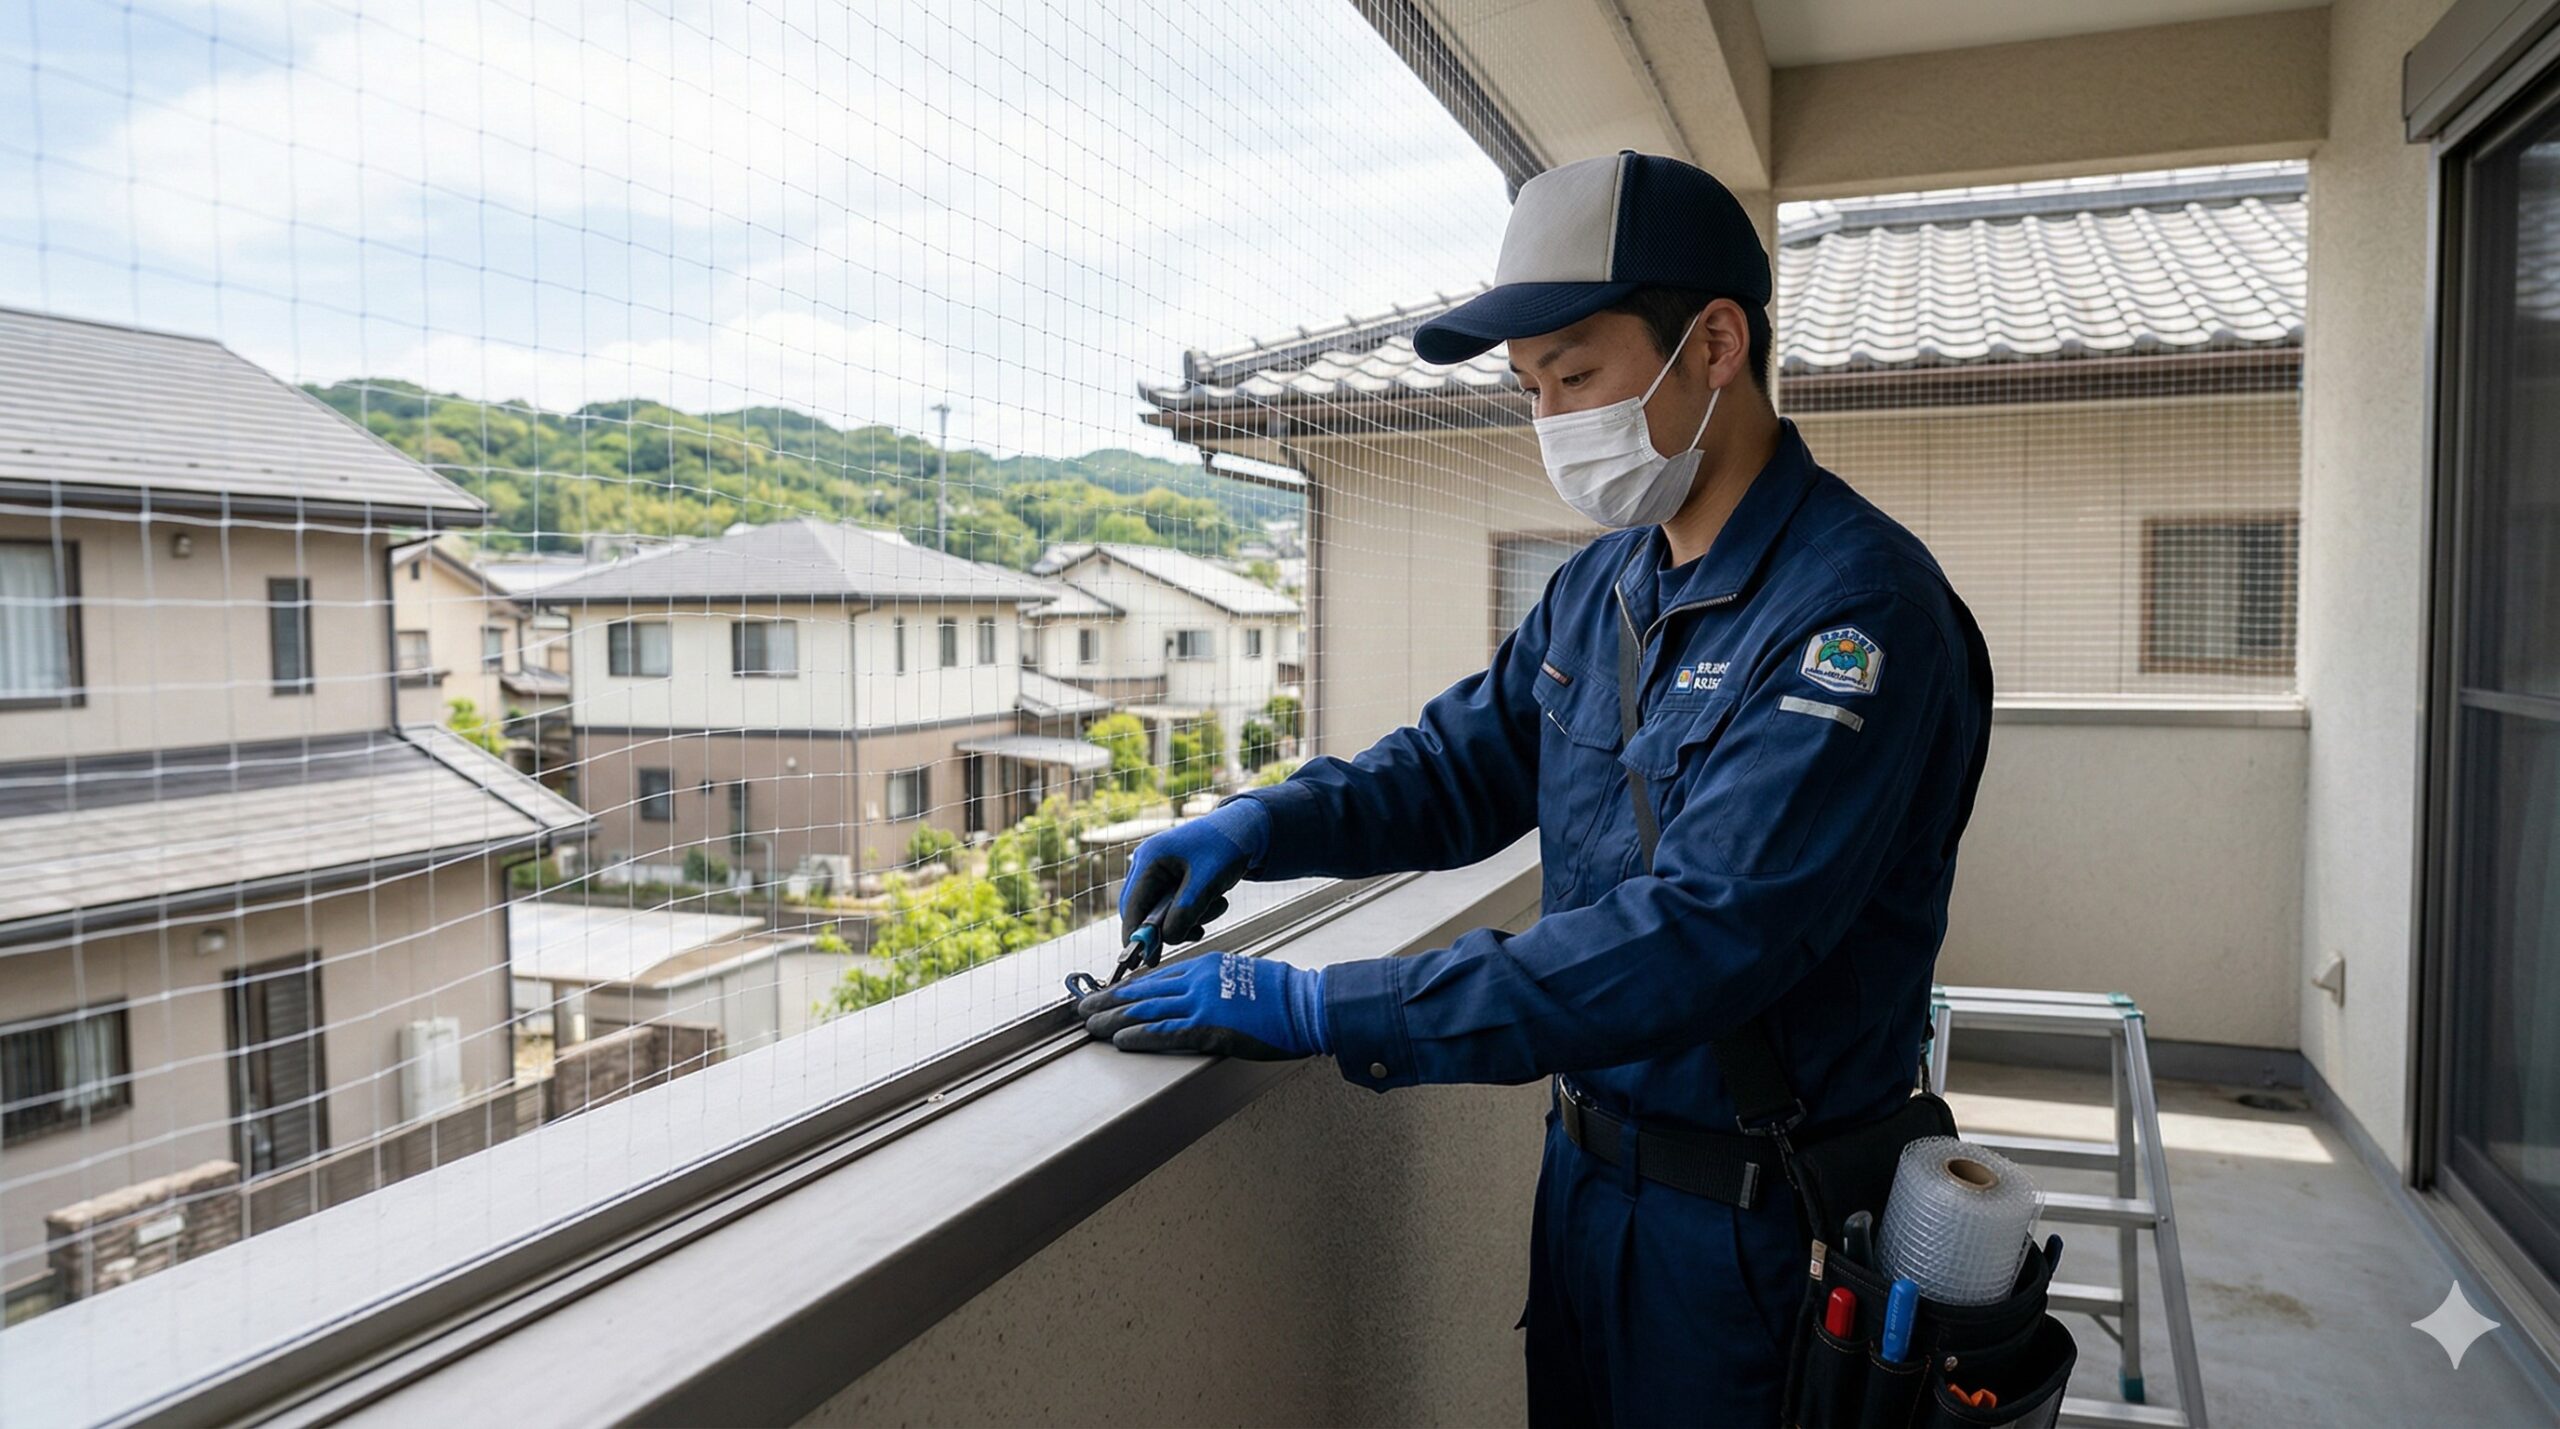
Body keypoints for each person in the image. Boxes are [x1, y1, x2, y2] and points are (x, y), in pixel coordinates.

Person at [1075, 151, 1994, 1427]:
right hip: (1586, 1185)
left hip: (1753, 1231)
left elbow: (1703, 935)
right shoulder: (1606, 584)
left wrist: (1323, 1004)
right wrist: (1261, 823)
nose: (1550, 420)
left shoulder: (1854, 616)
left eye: (1574, 375)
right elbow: (1456, 769)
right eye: (1529, 389)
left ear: (1714, 344)